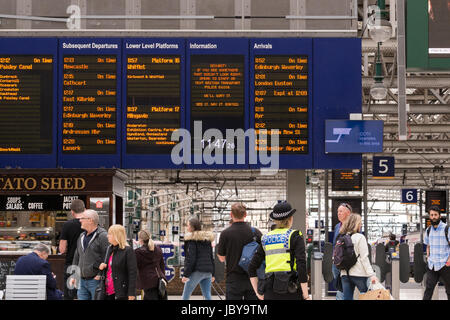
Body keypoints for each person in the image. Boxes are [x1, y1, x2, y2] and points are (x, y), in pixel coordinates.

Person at [248, 201, 309, 300]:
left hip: (270, 290)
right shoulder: (295, 236)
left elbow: (251, 267)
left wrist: (258, 293)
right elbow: (301, 265)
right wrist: (306, 296)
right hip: (291, 289)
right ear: (290, 218)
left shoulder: (265, 238)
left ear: (275, 220)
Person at [217, 203, 262, 300]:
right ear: (245, 214)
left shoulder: (225, 234)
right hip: (253, 279)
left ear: (231, 215)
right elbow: (263, 255)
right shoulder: (256, 232)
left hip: (233, 279)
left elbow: (221, 258)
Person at [71, 209, 109, 300]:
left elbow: (106, 257)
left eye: (82, 218)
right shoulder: (81, 236)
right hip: (81, 281)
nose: (80, 220)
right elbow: (77, 256)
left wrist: (100, 274)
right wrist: (74, 275)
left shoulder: (103, 235)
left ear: (90, 220)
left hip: (95, 281)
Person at [338, 213, 378, 300]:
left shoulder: (342, 238)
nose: (361, 225)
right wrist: (372, 275)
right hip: (359, 273)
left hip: (345, 274)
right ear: (356, 224)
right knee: (366, 297)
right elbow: (364, 258)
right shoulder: (360, 237)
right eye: (360, 223)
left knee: (347, 298)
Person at [98, 224, 137, 300]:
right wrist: (102, 266)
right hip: (107, 290)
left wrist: (131, 293)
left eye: (110, 234)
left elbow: (133, 273)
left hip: (121, 292)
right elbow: (109, 267)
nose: (107, 236)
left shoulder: (128, 251)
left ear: (117, 236)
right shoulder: (109, 249)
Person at [181, 217, 215, 300]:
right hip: (208, 271)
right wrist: (213, 273)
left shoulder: (192, 240)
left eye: (188, 225)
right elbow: (211, 257)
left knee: (186, 295)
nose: (187, 227)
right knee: (207, 295)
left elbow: (191, 258)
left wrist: (186, 274)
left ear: (192, 227)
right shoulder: (207, 240)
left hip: (197, 271)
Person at [59, 198, 85, 300]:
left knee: (70, 294)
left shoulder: (67, 225)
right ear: (85, 209)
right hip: (86, 265)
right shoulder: (91, 223)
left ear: (72, 212)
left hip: (71, 264)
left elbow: (62, 249)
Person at [423, 205, 450, 300]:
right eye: (431, 215)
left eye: (435, 215)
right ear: (429, 216)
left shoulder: (447, 229)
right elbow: (428, 245)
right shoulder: (428, 230)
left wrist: (449, 261)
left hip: (445, 265)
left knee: (449, 290)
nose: (433, 217)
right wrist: (428, 256)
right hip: (432, 265)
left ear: (440, 216)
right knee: (428, 289)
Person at [135, 230, 167, 300]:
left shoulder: (138, 252)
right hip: (160, 281)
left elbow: (135, 268)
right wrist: (163, 277)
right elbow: (162, 265)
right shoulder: (158, 249)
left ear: (140, 240)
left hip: (147, 283)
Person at [332, 202, 352, 300]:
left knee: (344, 284)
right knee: (339, 284)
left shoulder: (352, 226)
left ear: (348, 213)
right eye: (338, 211)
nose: (338, 213)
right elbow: (334, 244)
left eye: (341, 211)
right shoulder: (337, 226)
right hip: (336, 262)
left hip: (346, 262)